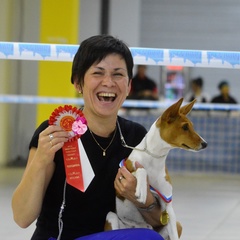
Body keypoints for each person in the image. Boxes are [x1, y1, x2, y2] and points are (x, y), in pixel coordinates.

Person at [12, 35, 165, 240]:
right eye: (98, 73)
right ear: (78, 82)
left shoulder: (137, 137)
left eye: (118, 74)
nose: (108, 82)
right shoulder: (54, 132)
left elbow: (160, 221)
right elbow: (22, 218)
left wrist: (142, 200)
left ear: (129, 86)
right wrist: (40, 160)